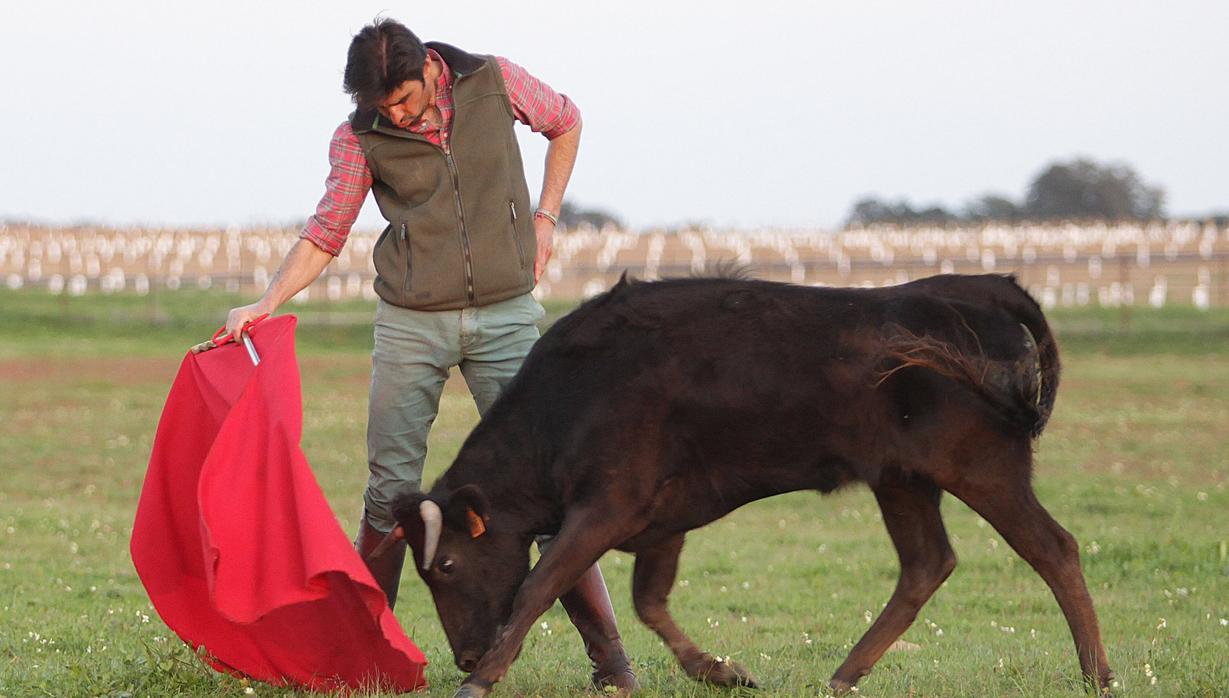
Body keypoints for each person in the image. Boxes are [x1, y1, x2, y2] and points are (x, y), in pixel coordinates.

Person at [223, 18, 635, 691]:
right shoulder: (358, 136)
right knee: (387, 495)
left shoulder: (496, 83)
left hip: (507, 315)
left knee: (551, 492)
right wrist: (265, 301)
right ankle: (364, 660)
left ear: (428, 72)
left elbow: (566, 121)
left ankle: (610, 662)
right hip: (411, 323)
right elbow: (327, 229)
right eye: (382, 107)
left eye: (403, 101)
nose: (397, 115)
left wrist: (545, 217)